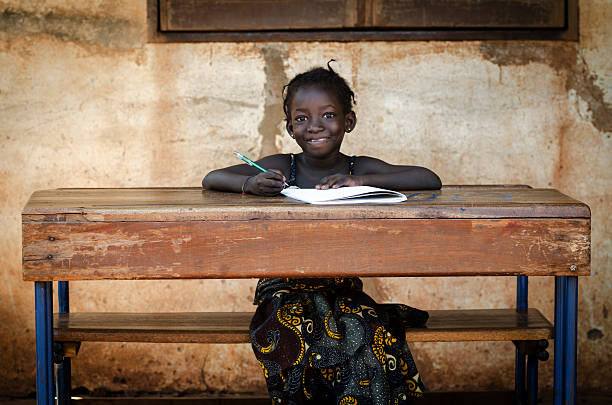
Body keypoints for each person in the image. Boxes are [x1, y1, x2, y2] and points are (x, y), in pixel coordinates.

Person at [203, 62, 441, 404]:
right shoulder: (284, 166)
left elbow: (428, 179)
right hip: (283, 290)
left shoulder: (358, 168)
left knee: (364, 328)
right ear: (289, 128)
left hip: (341, 288)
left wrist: (359, 182)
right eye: (301, 118)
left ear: (349, 121)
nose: (314, 126)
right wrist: (250, 183)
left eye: (328, 115)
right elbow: (212, 178)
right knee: (294, 330)